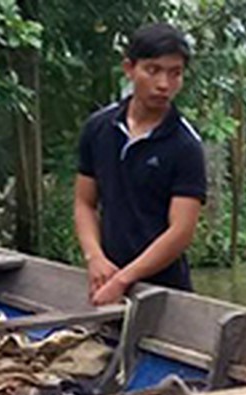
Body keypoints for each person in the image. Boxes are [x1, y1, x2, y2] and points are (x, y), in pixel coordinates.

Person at [74, 23, 206, 306]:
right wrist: (94, 257)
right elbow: (84, 202)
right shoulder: (99, 128)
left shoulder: (185, 145)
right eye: (153, 70)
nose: (164, 84)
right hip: (105, 277)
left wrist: (124, 279)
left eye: (175, 73)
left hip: (166, 291)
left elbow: (181, 232)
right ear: (129, 68)